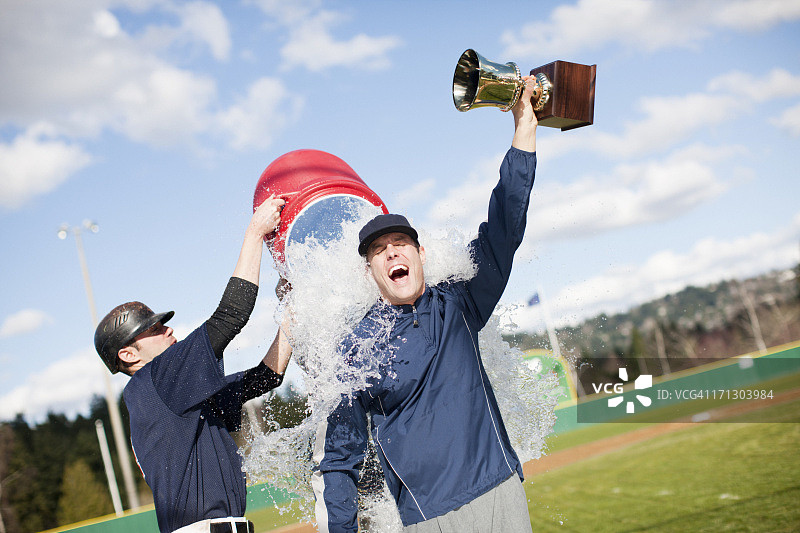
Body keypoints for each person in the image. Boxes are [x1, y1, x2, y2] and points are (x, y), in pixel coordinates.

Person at [312, 76, 540, 533]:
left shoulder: (458, 302)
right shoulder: (357, 348)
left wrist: (525, 128)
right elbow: (340, 457)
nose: (392, 253)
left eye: (401, 243)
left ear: (420, 254)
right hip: (429, 517)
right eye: (379, 251)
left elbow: (504, 227)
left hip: (499, 490)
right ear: (370, 272)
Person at [94, 196, 292, 533]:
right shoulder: (155, 381)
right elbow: (230, 316)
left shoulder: (174, 398)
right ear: (128, 355)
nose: (168, 330)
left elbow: (265, 378)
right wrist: (255, 233)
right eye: (153, 330)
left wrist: (290, 313)